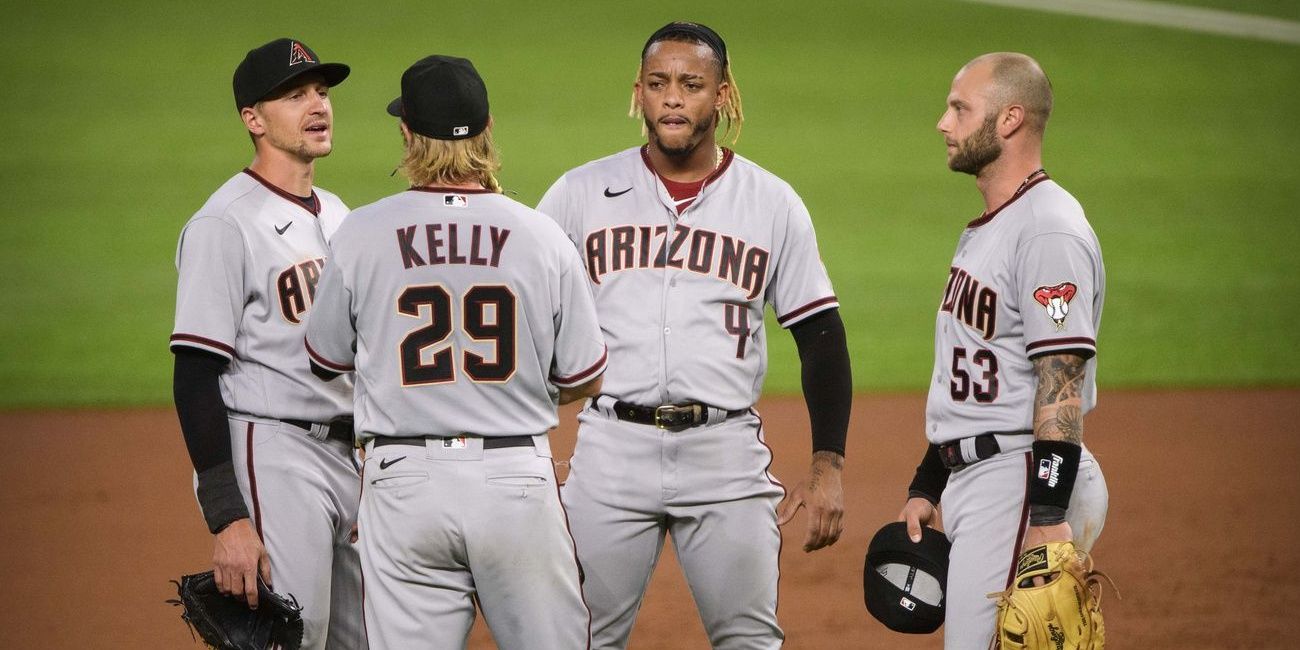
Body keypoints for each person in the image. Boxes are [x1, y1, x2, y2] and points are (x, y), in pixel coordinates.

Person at [537, 21, 853, 649]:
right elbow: (524, 318)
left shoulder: (771, 202)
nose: (673, 98)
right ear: (639, 94)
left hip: (724, 453)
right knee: (579, 638)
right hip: (609, 453)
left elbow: (820, 334)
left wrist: (828, 465)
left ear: (724, 94)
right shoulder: (578, 194)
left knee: (749, 640)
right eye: (658, 84)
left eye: (691, 84)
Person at [304, 54, 608, 650]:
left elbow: (326, 360)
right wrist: (515, 388)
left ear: (407, 134)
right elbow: (585, 376)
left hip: (403, 482)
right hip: (515, 478)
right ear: (489, 128)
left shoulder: (360, 233)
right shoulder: (541, 236)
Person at [896, 52, 1109, 649]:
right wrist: (927, 484)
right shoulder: (994, 225)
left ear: (1011, 119)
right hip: (985, 477)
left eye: (961, 108)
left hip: (1019, 482)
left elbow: (1059, 386)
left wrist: (1046, 517)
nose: (944, 122)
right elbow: (981, 377)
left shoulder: (1047, 230)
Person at [169, 38, 364, 649]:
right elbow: (195, 373)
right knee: (295, 639)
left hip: (350, 453)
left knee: (366, 639)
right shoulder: (223, 224)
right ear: (253, 119)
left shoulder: (337, 213)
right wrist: (228, 518)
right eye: (295, 94)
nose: (318, 105)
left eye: (323, 92)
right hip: (276, 454)